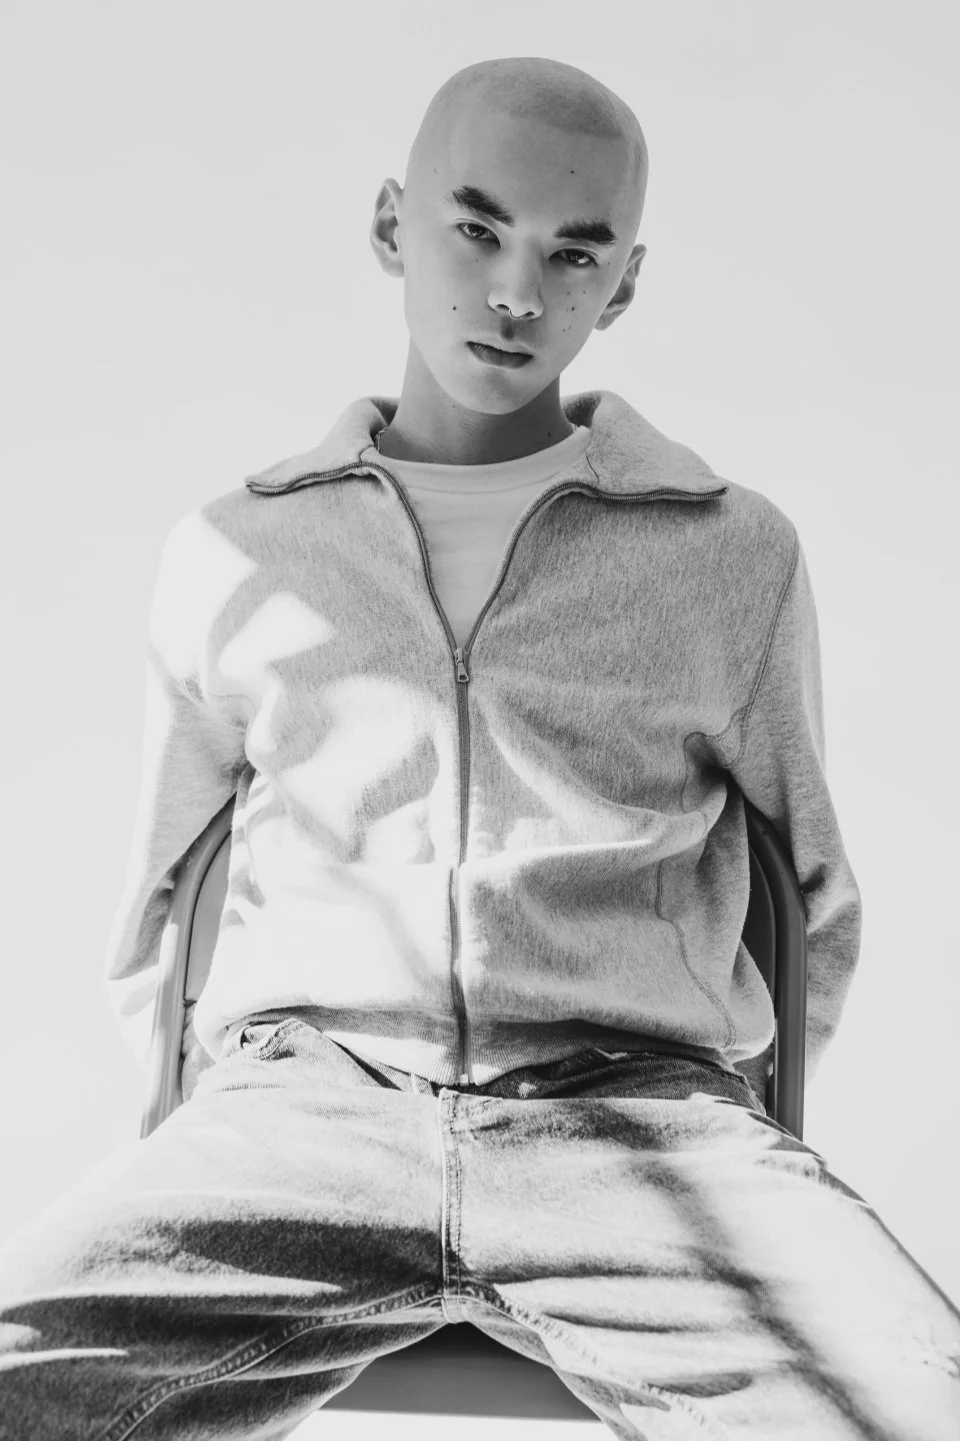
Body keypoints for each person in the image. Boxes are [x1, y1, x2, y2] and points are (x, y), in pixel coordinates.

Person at [1, 54, 958, 1441]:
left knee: (917, 1402)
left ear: (621, 287)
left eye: (574, 254)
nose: (517, 290)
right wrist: (212, 1140)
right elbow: (164, 901)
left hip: (638, 1121)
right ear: (392, 226)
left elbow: (809, 901)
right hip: (304, 1119)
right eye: (477, 228)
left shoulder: (730, 552)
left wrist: (724, 1123)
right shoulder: (239, 548)